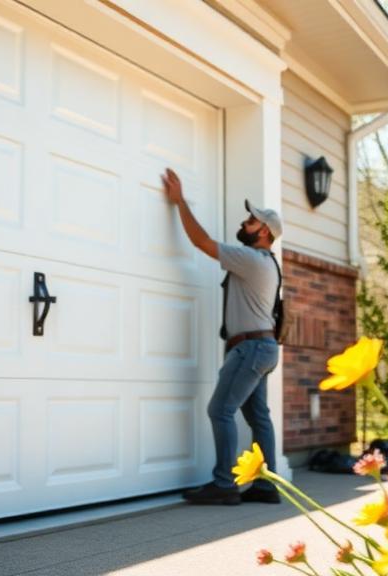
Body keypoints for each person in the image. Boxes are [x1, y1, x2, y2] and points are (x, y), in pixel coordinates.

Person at [161, 167, 282, 505]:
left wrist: (180, 202)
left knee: (220, 410)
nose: (245, 223)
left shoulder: (251, 258)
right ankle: (266, 485)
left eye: (251, 221)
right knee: (258, 416)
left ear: (265, 231)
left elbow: (202, 242)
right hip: (263, 347)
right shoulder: (268, 262)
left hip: (251, 348)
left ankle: (225, 484)